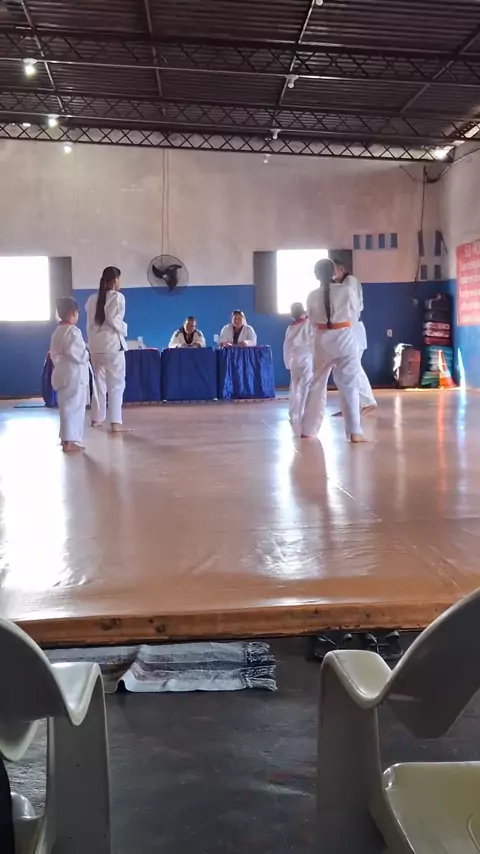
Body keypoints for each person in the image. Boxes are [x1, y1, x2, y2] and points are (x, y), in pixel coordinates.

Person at [301, 258, 367, 443]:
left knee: (316, 384)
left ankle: (308, 430)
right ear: (334, 272)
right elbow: (355, 314)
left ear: (316, 275)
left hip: (321, 339)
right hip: (344, 336)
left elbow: (311, 320)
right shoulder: (346, 290)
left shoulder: (312, 295)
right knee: (350, 385)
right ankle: (355, 431)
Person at [86, 265, 128, 433]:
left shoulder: (92, 300)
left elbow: (89, 324)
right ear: (115, 280)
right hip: (112, 347)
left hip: (96, 347)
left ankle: (96, 418)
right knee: (116, 385)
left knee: (99, 384)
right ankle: (115, 422)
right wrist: (124, 329)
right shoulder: (117, 297)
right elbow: (114, 320)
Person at [332, 259, 377, 416]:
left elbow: (353, 308)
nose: (332, 275)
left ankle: (367, 402)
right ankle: (352, 406)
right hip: (348, 330)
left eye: (334, 270)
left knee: (353, 370)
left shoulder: (349, 283)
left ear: (341, 269)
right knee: (346, 372)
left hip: (352, 331)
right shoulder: (345, 284)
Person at [50, 296, 89, 453]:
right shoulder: (73, 331)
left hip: (61, 372)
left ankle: (65, 438)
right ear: (73, 312)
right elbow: (78, 354)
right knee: (73, 407)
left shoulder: (57, 332)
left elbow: (54, 354)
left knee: (65, 407)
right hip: (74, 375)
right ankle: (69, 442)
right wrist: (87, 353)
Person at [283, 302, 313, 435]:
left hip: (294, 358)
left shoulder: (290, 328)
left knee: (294, 386)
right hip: (307, 356)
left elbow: (286, 346)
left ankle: (293, 413)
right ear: (303, 312)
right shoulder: (309, 324)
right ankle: (301, 413)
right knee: (305, 386)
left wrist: (287, 362)